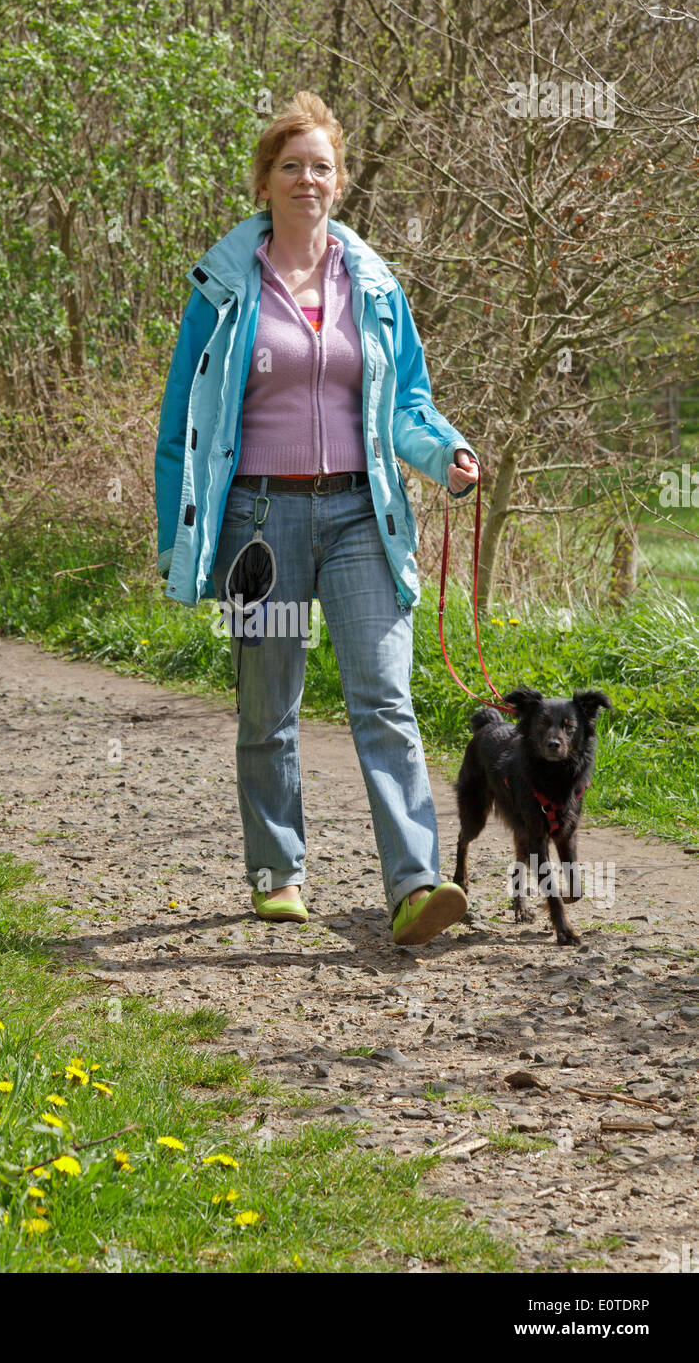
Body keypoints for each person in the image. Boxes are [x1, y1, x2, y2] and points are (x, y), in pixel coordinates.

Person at [155, 91, 480, 946]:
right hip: (257, 523)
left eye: (322, 166)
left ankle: (415, 886)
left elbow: (407, 399)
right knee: (269, 708)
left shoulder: (370, 284)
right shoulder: (224, 288)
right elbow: (180, 423)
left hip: (358, 513)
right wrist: (174, 536)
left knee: (385, 698)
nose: (308, 179)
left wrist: (444, 452)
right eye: (291, 165)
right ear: (265, 180)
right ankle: (278, 874)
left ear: (340, 183)